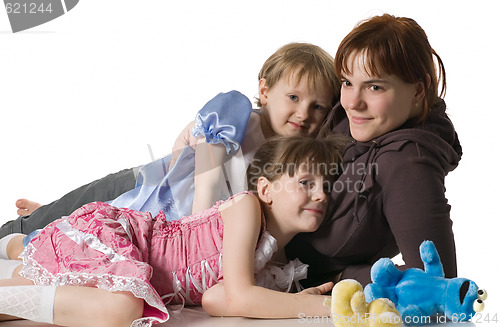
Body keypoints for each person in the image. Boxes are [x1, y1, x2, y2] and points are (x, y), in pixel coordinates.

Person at [0, 42, 340, 239]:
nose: (304, 113)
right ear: (265, 91)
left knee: (83, 230)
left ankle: (48, 216)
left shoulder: (295, 158)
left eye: (317, 106)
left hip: (161, 223)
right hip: (150, 187)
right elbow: (207, 174)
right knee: (79, 205)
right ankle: (27, 222)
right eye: (293, 97)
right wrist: (197, 231)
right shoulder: (238, 114)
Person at [0, 135, 346, 326]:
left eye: (327, 186)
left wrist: (292, 300)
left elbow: (215, 299)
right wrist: (328, 307)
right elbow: (240, 295)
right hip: (120, 237)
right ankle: (14, 245)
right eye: (306, 182)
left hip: (130, 260)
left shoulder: (272, 259)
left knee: (62, 293)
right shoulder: (246, 207)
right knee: (122, 309)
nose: (321, 194)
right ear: (266, 189)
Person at [286, 14, 461, 287]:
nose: (353, 102)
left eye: (375, 87)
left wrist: (340, 280)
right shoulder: (346, 118)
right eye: (347, 82)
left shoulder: (407, 162)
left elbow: (436, 285)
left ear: (418, 91)